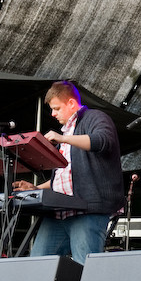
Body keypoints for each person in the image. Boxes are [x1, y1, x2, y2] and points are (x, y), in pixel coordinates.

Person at [12, 81, 124, 265]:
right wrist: (36, 188)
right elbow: (66, 177)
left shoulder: (95, 117)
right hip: (59, 212)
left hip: (87, 210)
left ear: (71, 104)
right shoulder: (67, 134)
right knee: (36, 266)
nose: (53, 114)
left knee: (84, 267)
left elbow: (103, 141)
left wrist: (63, 138)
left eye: (56, 108)